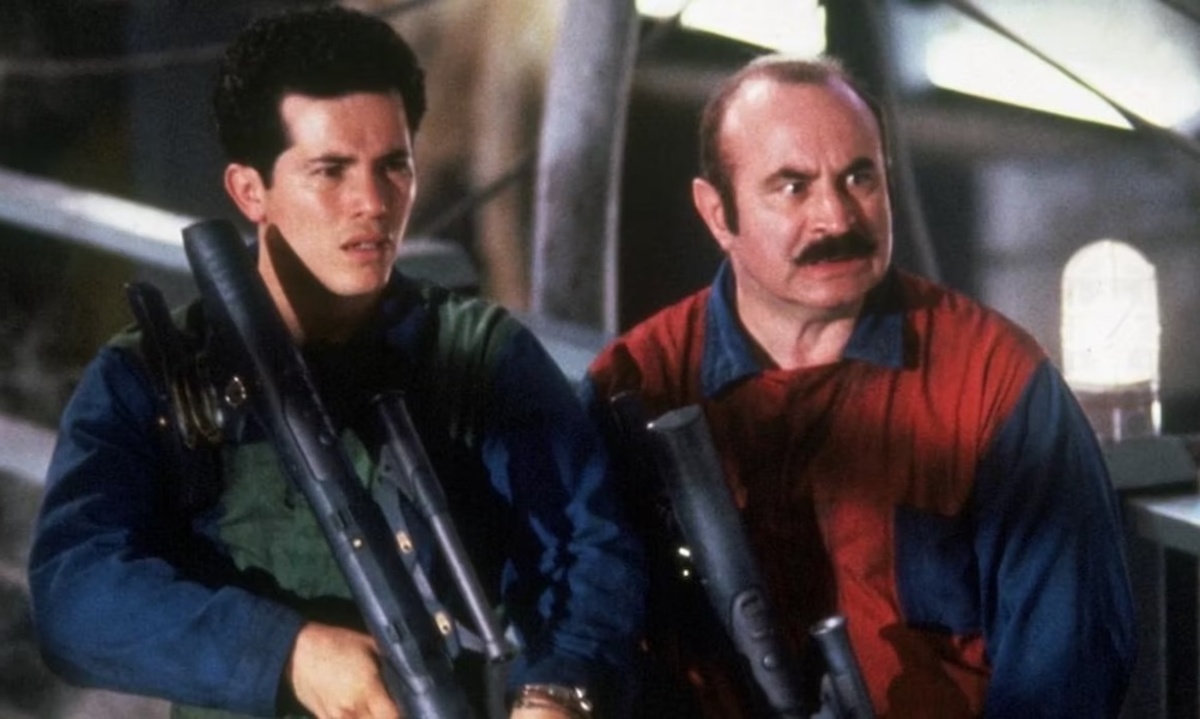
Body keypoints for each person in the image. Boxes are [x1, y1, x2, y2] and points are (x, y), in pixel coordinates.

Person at [28, 7, 643, 719]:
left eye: (394, 166)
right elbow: (75, 593)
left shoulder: (479, 354)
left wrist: (556, 689)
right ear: (249, 191)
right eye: (331, 171)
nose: (373, 204)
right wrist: (291, 654)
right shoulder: (154, 379)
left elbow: (589, 545)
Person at [583, 55, 1136, 718]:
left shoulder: (995, 383)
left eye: (859, 177)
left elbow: (1067, 667)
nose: (837, 217)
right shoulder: (637, 382)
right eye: (792, 187)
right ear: (717, 213)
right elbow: (579, 624)